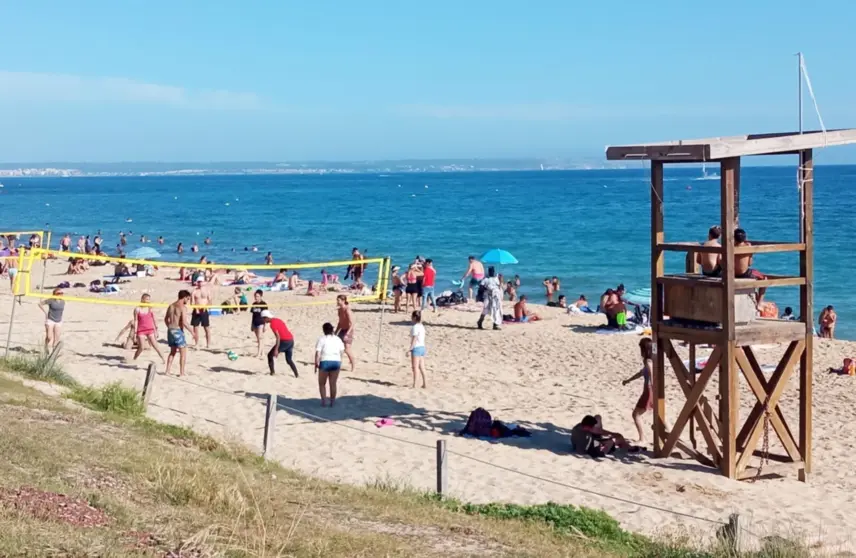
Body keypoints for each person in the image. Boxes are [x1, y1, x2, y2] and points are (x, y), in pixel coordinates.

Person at [622, 338, 654, 442]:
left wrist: (653, 386)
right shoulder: (653, 359)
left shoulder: (648, 361)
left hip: (649, 390)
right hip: (652, 390)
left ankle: (642, 439)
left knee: (636, 414)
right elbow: (641, 373)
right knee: (659, 413)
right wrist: (628, 380)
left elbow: (651, 373)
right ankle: (672, 435)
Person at [571, 415, 635, 458]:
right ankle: (628, 448)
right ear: (588, 427)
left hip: (589, 444)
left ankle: (626, 446)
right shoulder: (584, 437)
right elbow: (583, 451)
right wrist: (601, 445)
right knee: (618, 438)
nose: (593, 428)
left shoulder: (578, 427)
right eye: (592, 427)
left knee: (597, 417)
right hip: (594, 451)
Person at [734, 228, 767, 307]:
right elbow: (750, 263)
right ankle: (759, 303)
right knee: (765, 279)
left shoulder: (731, 247)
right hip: (744, 273)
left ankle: (756, 300)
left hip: (733, 273)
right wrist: (751, 252)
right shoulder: (747, 247)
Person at [315, 322, 345, 407]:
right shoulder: (338, 339)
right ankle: (332, 402)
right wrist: (339, 360)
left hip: (325, 361)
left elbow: (318, 353)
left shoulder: (322, 339)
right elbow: (342, 351)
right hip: (336, 362)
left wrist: (316, 363)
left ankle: (324, 401)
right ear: (332, 330)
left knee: (322, 383)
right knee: (333, 383)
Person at [262, 310, 299, 377]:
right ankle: (296, 374)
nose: (264, 320)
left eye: (263, 318)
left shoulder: (272, 324)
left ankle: (272, 373)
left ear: (266, 317)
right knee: (289, 360)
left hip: (284, 341)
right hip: (291, 340)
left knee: (270, 355)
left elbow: (278, 337)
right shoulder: (278, 320)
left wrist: (276, 349)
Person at [132, 294, 165, 363]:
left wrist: (156, 330)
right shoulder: (137, 309)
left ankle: (163, 359)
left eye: (149, 299)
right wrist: (135, 333)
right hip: (141, 330)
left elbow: (154, 319)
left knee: (155, 346)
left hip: (150, 329)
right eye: (147, 299)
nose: (148, 301)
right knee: (141, 347)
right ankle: (134, 359)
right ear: (142, 299)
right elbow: (136, 321)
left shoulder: (150, 308)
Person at [164, 290, 191, 376]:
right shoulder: (182, 307)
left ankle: (167, 371)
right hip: (177, 330)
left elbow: (166, 319)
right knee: (183, 353)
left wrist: (169, 327)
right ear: (184, 297)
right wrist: (193, 332)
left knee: (172, 352)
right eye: (188, 299)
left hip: (170, 330)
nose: (188, 301)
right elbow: (184, 322)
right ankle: (182, 373)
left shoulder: (171, 306)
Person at [335, 294, 356, 372]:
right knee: (339, 348)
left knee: (347, 349)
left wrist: (347, 334)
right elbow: (340, 322)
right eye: (337, 300)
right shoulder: (339, 310)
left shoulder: (347, 310)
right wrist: (336, 332)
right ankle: (338, 365)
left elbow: (352, 323)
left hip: (348, 330)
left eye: (338, 300)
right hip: (342, 329)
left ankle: (353, 366)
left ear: (343, 301)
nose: (337, 301)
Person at [408, 311, 427, 388]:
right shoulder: (422, 326)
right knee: (422, 367)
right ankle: (425, 383)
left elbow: (414, 339)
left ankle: (415, 384)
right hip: (422, 347)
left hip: (416, 348)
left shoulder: (415, 327)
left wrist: (410, 349)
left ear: (414, 318)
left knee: (415, 367)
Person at [190, 278, 212, 348]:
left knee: (206, 328)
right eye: (199, 282)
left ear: (204, 282)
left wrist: (206, 307)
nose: (200, 283)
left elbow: (210, 301)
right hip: (197, 310)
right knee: (195, 328)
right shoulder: (194, 291)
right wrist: (196, 308)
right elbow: (192, 302)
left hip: (204, 310)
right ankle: (196, 343)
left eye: (201, 281)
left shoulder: (207, 291)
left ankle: (208, 344)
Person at [249, 289, 268, 358]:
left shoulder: (264, 304)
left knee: (260, 337)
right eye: (255, 296)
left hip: (261, 323)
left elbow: (266, 316)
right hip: (255, 322)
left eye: (257, 296)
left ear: (261, 296)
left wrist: (265, 325)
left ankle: (259, 354)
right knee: (259, 339)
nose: (256, 297)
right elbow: (253, 315)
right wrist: (251, 324)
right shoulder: (254, 304)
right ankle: (262, 353)